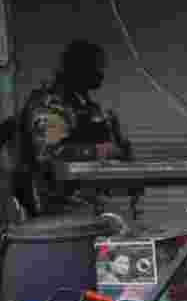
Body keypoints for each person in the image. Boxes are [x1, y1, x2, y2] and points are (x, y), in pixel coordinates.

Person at [16, 40, 133, 216]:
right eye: (96, 67)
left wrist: (119, 145)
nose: (101, 74)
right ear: (78, 68)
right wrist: (103, 150)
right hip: (55, 207)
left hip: (90, 204)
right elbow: (49, 154)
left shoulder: (85, 105)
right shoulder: (49, 105)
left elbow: (114, 151)